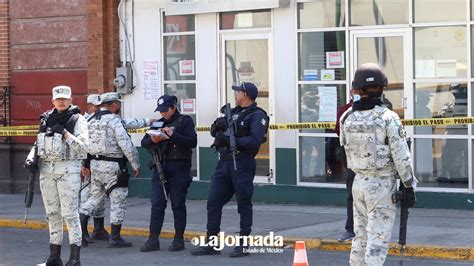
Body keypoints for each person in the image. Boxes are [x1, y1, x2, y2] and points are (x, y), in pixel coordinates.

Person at [339, 63, 417, 265]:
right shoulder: (388, 118)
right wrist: (409, 185)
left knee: (360, 237)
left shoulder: (346, 118)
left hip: (358, 183)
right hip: (381, 185)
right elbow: (401, 157)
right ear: (382, 88)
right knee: (377, 240)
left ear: (358, 89)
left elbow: (343, 150)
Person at [191, 82, 269, 258]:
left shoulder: (257, 115)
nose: (236, 95)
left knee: (243, 203)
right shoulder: (232, 113)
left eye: (238, 92)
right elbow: (215, 131)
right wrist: (218, 130)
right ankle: (212, 242)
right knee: (213, 202)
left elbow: (255, 141)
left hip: (242, 162)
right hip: (224, 163)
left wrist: (233, 141)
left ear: (246, 95)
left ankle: (243, 244)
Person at [80, 94, 154, 246]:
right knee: (118, 200)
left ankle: (80, 230)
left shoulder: (89, 120)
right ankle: (115, 238)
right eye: (118, 104)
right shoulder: (113, 120)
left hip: (95, 165)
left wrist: (85, 165)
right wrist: (135, 164)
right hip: (114, 166)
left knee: (94, 198)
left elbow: (82, 144)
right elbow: (126, 144)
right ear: (114, 104)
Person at [26, 85, 89, 265]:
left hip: (68, 171)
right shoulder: (45, 119)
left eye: (64, 98)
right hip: (47, 172)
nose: (61, 101)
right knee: (52, 214)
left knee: (70, 214)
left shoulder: (78, 119)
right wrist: (30, 158)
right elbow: (37, 143)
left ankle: (74, 258)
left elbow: (84, 148)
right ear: (53, 100)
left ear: (70, 100)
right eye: (58, 99)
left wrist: (65, 133)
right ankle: (54, 256)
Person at [139, 95, 197, 252]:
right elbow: (144, 142)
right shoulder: (159, 123)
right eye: (161, 111)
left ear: (173, 107)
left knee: (178, 204)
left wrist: (173, 135)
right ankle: (153, 239)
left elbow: (192, 141)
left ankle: (179, 239)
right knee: (157, 204)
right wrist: (154, 141)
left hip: (179, 167)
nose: (163, 113)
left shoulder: (185, 121)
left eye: (166, 110)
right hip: (160, 167)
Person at [79, 94, 110, 246]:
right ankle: (83, 232)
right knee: (87, 197)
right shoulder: (84, 121)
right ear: (89, 106)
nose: (98, 109)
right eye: (95, 106)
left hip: (98, 164)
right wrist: (85, 165)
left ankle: (98, 229)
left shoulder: (99, 119)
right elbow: (84, 146)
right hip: (87, 164)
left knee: (100, 197)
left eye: (99, 106)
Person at [335, 87, 359, 242]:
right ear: (351, 91)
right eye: (356, 91)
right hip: (352, 161)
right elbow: (339, 131)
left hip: (373, 166)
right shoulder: (346, 111)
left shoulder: (381, 111)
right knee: (352, 196)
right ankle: (350, 229)